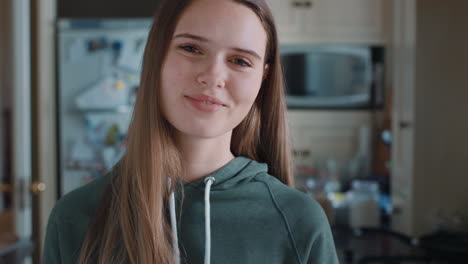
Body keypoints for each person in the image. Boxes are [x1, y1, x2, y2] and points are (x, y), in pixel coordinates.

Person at [43, 0, 339, 263]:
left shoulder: (299, 221)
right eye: (191, 48)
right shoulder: (75, 217)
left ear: (263, 77)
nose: (212, 76)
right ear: (156, 55)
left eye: (240, 60)